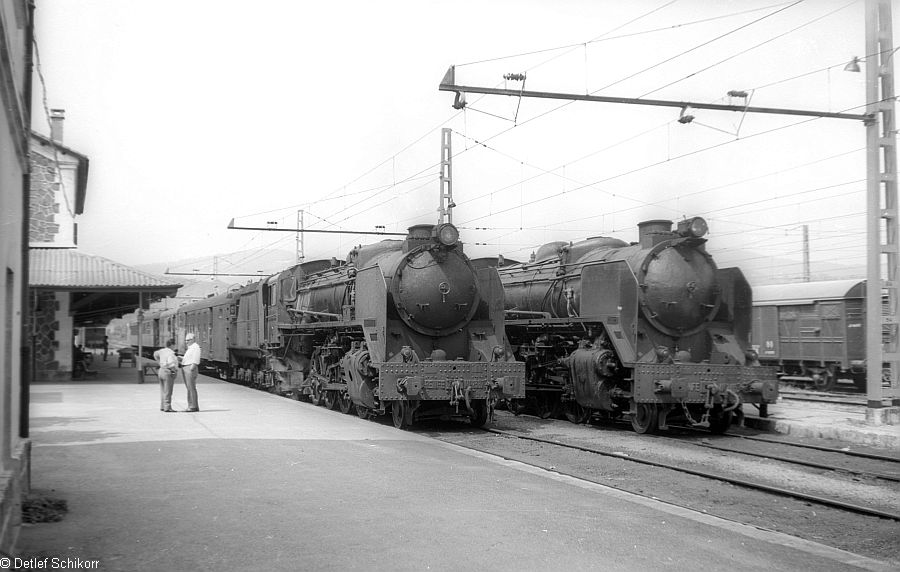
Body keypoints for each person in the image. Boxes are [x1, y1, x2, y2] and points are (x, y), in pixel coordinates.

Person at [153, 339, 178, 412]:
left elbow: (155, 354)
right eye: (174, 345)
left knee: (163, 390)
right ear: (172, 345)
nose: (175, 347)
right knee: (168, 391)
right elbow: (171, 364)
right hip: (168, 372)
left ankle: (163, 406)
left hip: (161, 371)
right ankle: (168, 407)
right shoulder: (170, 353)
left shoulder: (162, 351)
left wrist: (159, 363)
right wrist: (174, 371)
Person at [180, 332, 201, 412]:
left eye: (188, 340)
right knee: (189, 388)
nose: (186, 342)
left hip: (190, 368)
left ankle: (193, 406)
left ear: (193, 339)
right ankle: (192, 405)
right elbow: (190, 357)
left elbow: (196, 358)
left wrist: (192, 367)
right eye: (185, 340)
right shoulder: (191, 347)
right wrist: (181, 358)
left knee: (191, 388)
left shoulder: (195, 347)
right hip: (187, 367)